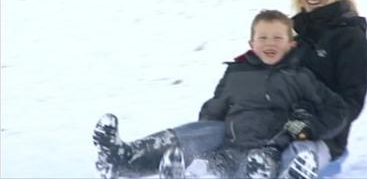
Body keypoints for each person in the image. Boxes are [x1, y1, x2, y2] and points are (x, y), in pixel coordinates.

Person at [92, 10, 348, 179]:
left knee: (265, 162)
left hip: (272, 150)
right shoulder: (236, 73)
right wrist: (206, 125)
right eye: (263, 37)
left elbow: (338, 110)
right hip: (233, 146)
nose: (270, 43)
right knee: (202, 137)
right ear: (251, 44)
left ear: (291, 44)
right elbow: (213, 111)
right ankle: (124, 157)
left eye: (277, 37)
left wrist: (308, 127)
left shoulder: (300, 77)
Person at [277, 0, 367, 178]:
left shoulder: (350, 37)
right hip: (278, 128)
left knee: (295, 162)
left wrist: (312, 126)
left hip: (323, 139)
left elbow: (352, 102)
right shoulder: (294, 32)